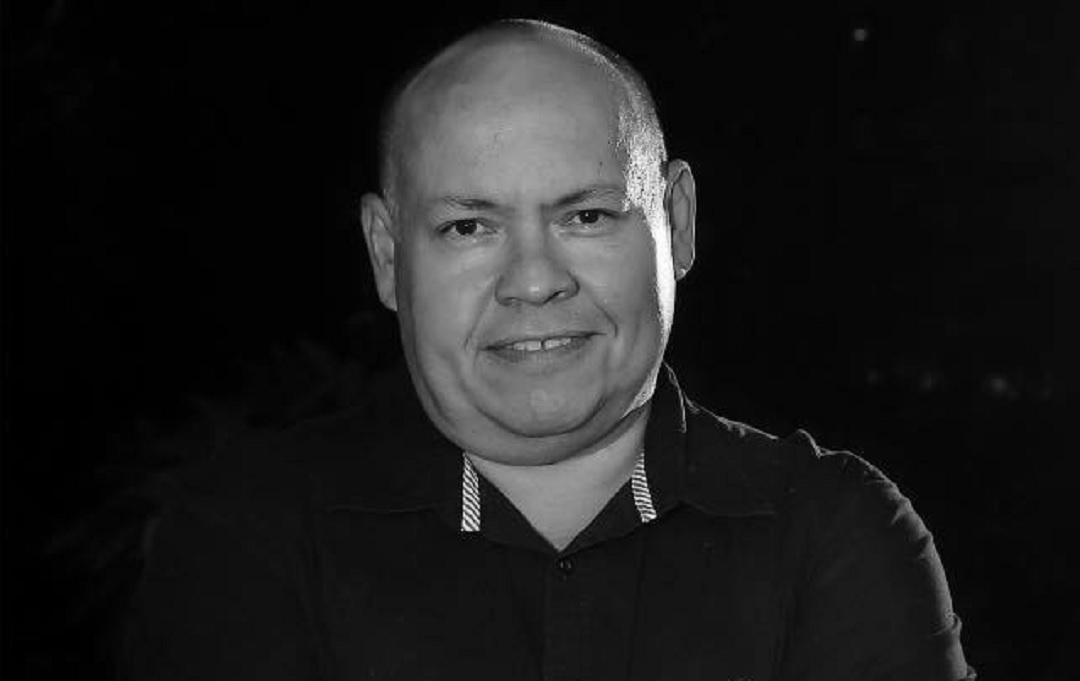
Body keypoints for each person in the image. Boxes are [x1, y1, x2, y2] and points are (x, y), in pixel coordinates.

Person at [120, 19, 975, 680]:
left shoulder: (834, 534)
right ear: (386, 254)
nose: (533, 281)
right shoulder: (249, 538)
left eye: (586, 215)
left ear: (676, 222)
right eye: (468, 226)